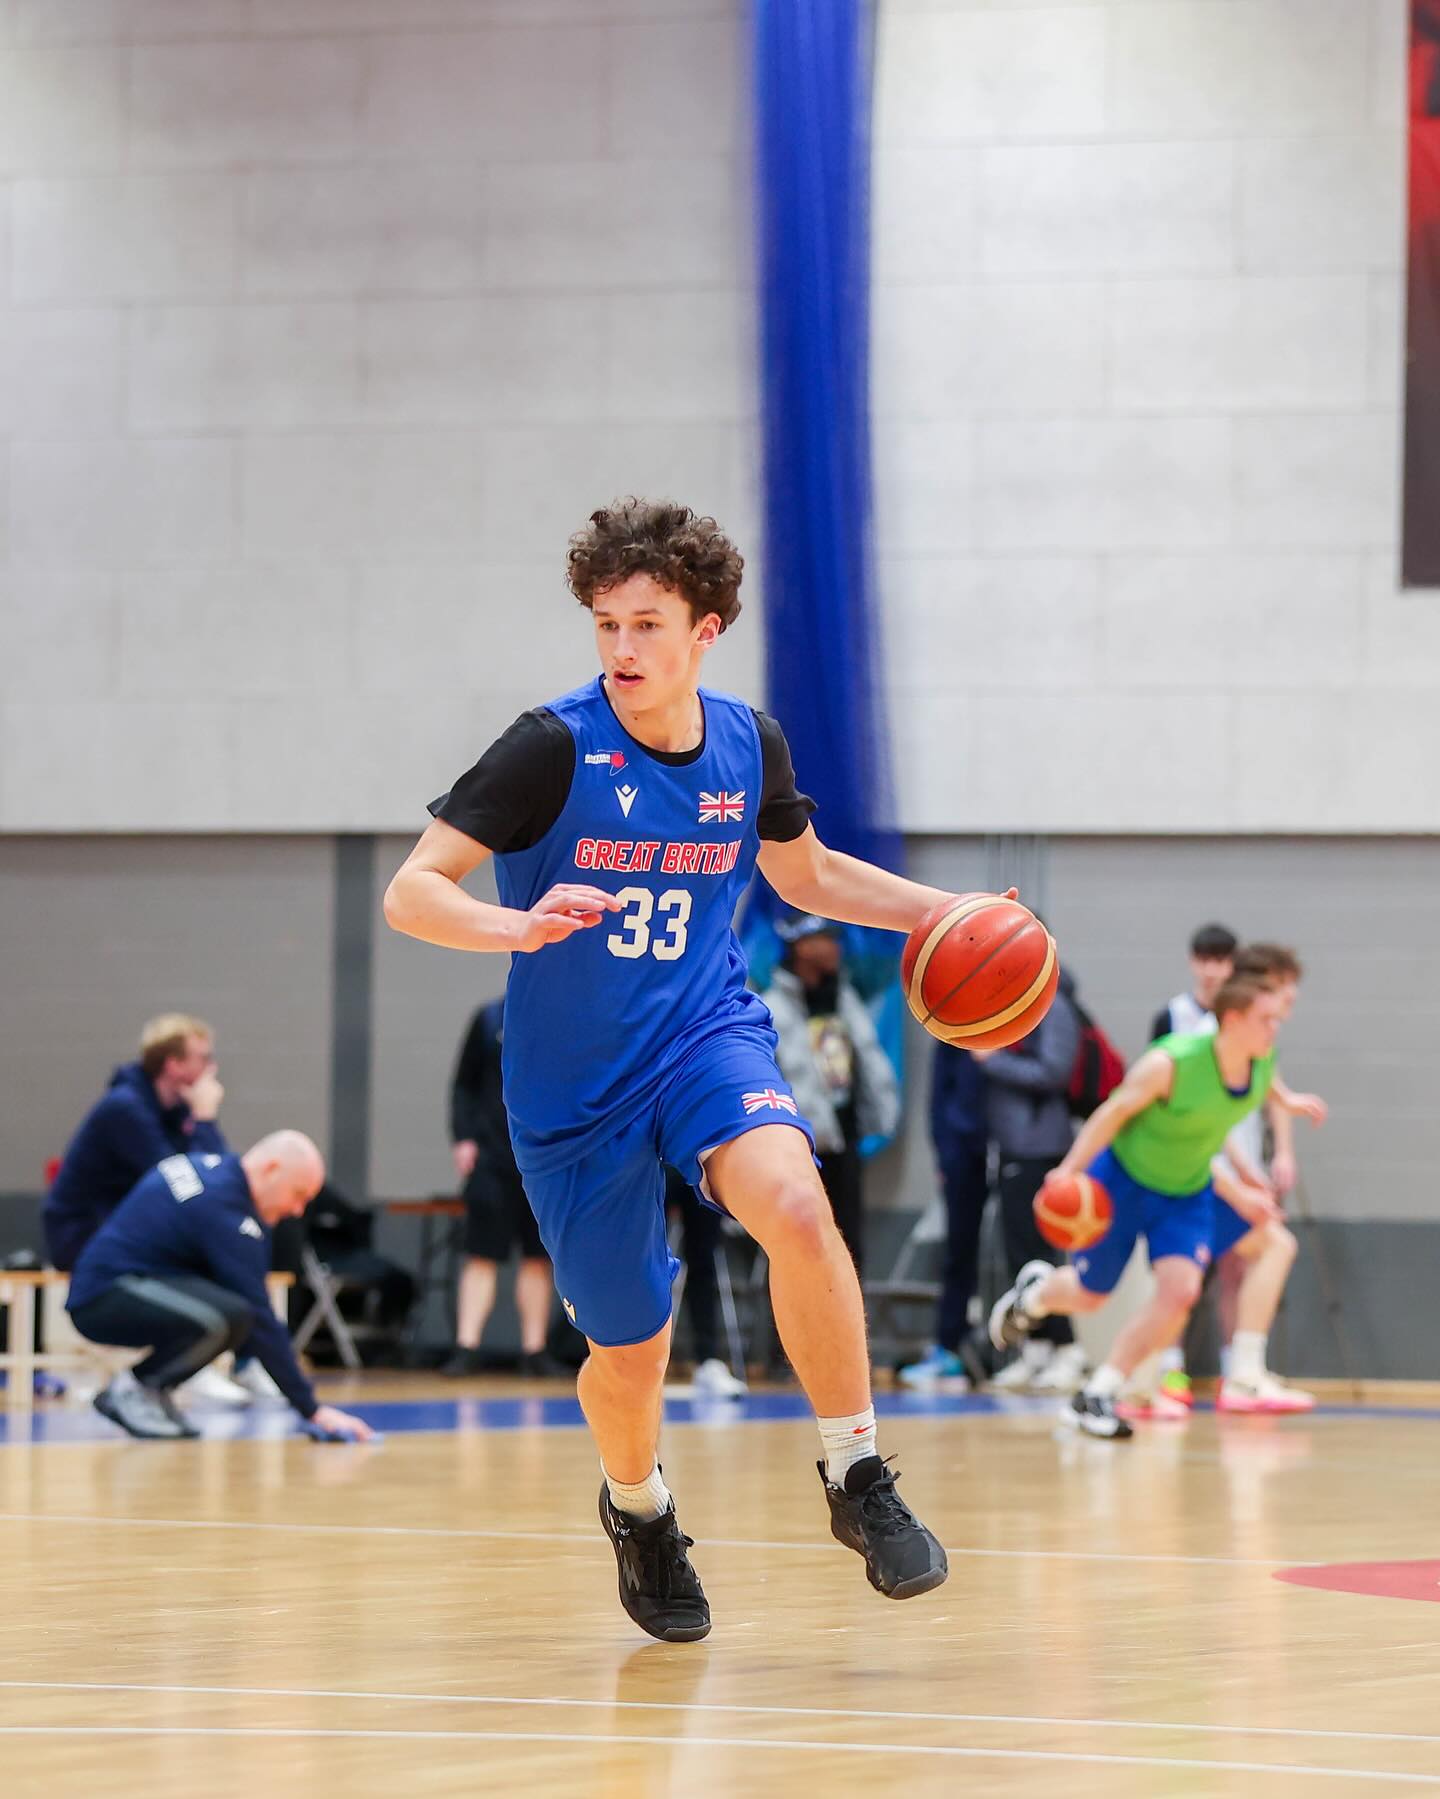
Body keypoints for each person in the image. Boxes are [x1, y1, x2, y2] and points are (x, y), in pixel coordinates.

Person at [384, 497, 973, 1641]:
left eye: (646, 623)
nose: (621, 647)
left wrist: (944, 911)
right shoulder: (551, 745)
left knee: (795, 1202)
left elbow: (806, 875)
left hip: (705, 1035)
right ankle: (640, 1506)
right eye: (605, 623)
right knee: (632, 1350)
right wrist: (516, 926)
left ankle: (857, 1472)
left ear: (706, 628)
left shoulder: (750, 743)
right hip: (573, 1086)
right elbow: (413, 891)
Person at [989, 975, 1286, 1440]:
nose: (1276, 1027)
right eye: (1266, 1018)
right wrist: (1068, 1170)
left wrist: (1272, 1139)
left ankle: (1100, 1391)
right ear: (1232, 1018)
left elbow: (1224, 1118)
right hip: (1123, 1180)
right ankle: (1037, 1294)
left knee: (1181, 1292)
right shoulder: (1171, 1062)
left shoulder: (1260, 1062)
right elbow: (1112, 1113)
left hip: (1185, 1192)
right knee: (1090, 1296)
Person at [67, 1131, 373, 1444]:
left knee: (233, 1313)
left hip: (107, 1287)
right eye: (299, 1195)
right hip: (105, 1296)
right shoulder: (225, 1210)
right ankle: (134, 1390)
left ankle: (152, 1391)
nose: (297, 1210)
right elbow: (260, 1316)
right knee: (234, 1316)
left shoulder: (210, 1171)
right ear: (271, 1170)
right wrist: (312, 1410)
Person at [44, 1014, 274, 1406]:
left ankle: (237, 1358)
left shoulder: (173, 1112)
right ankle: (198, 1356)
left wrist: (199, 1121)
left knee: (228, 1238)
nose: (212, 1068)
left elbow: (218, 1180)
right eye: (203, 1058)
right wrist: (205, 1118)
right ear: (173, 1064)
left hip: (125, 1233)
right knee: (208, 1244)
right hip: (86, 1237)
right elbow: (185, 1186)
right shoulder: (124, 1109)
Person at [1158, 944, 1328, 1415]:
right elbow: (1202, 1126)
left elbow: (1265, 1088)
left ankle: (1236, 1371)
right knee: (1186, 1274)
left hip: (1218, 1169)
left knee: (1244, 1258)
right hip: (1195, 1173)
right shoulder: (1212, 1037)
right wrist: (1238, 1181)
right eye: (1285, 985)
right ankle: (1180, 1373)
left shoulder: (1255, 1037)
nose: (1292, 997)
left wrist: (1266, 1156)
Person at [970, 966, 1087, 1395]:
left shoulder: (1054, 1005)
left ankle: (1067, 1350)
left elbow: (1053, 1071)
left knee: (1040, 1254)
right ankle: (1036, 1351)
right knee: (1020, 1251)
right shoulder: (1014, 1005)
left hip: (1040, 1147)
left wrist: (994, 1061)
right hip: (1013, 1146)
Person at [763, 913, 901, 1277]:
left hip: (844, 1139)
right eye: (826, 939)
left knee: (849, 1243)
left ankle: (851, 1315)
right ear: (802, 946)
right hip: (799, 1148)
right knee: (797, 1247)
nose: (837, 948)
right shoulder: (772, 1009)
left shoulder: (843, 998)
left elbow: (866, 1060)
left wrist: (880, 1111)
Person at [444, 995, 563, 1378]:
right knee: (481, 1254)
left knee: (538, 1258)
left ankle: (535, 1350)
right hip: (492, 1158)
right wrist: (463, 1138)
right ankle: (467, 1346)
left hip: (543, 1160)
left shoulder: (562, 1014)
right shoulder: (489, 1018)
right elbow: (463, 1084)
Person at [896, 1044, 988, 1388]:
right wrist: (946, 1155)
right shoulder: (952, 1033)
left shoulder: (1017, 1026)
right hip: (964, 1153)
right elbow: (938, 1098)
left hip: (1012, 1145)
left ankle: (1023, 1348)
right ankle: (949, 1347)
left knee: (1017, 1250)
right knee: (959, 1253)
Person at [665, 1164, 746, 1397]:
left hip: (700, 1159)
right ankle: (631, 1358)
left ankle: (708, 1360)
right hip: (653, 1160)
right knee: (644, 1258)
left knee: (704, 1263)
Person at [1149, 923, 1237, 1042]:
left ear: (1234, 963)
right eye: (1203, 960)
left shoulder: (1245, 1014)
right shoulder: (1172, 1015)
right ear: (1192, 961)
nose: (1210, 971)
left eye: (1219, 960)